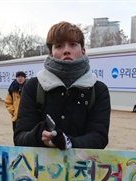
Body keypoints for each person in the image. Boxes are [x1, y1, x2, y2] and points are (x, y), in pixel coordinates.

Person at [13, 21, 110, 150]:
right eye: (59, 46)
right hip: (41, 168)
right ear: (51, 53)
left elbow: (99, 137)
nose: (66, 51)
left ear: (83, 50)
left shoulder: (98, 90)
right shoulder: (33, 87)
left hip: (81, 168)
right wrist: (39, 134)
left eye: (73, 45)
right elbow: (20, 138)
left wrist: (68, 143)